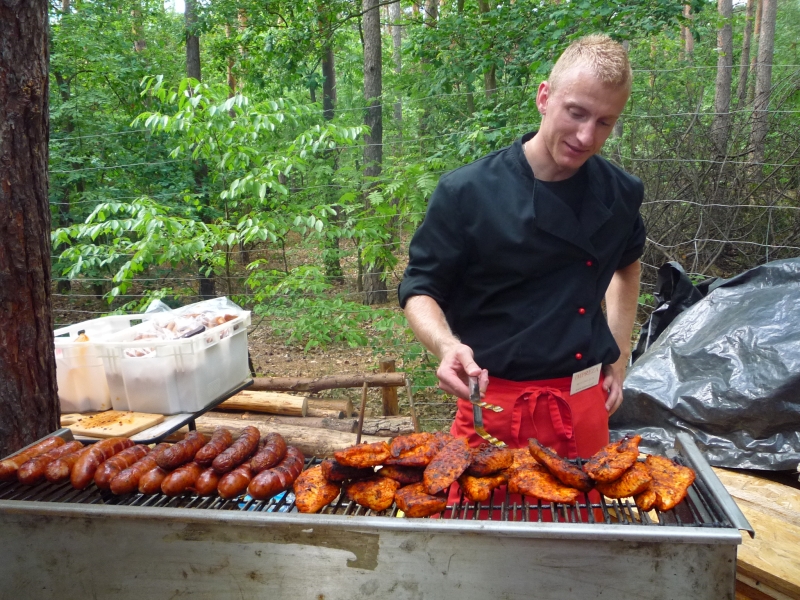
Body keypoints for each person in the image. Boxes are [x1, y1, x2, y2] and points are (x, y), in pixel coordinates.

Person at [398, 34, 645, 460]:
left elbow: (628, 265)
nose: (586, 136)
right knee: (481, 504)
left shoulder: (620, 192)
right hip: (494, 405)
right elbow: (421, 288)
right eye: (576, 113)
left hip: (585, 403)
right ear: (544, 97)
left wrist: (620, 354)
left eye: (605, 122)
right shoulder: (468, 192)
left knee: (588, 505)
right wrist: (446, 346)